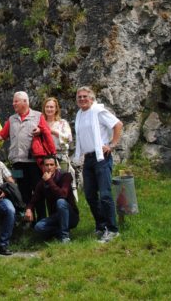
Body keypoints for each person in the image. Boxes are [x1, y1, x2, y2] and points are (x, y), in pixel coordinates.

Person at [0, 91, 56, 217]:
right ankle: (27, 219)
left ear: (25, 102)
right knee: (22, 191)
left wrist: (51, 153)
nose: (13, 104)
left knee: (38, 191)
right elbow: (1, 135)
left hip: (34, 162)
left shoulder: (38, 116)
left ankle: (41, 219)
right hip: (17, 163)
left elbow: (47, 135)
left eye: (16, 101)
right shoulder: (12, 119)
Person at [74, 86, 123, 243]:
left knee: (105, 194)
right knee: (89, 194)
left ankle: (113, 229)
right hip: (88, 158)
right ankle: (101, 226)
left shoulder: (98, 111)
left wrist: (112, 144)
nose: (82, 99)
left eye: (84, 96)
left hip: (102, 157)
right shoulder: (80, 114)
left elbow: (118, 124)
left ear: (91, 98)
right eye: (79, 97)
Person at [25, 155, 79, 243]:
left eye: (51, 165)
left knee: (61, 202)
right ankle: (60, 232)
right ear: (43, 167)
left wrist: (50, 181)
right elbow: (34, 199)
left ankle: (65, 237)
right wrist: (29, 209)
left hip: (71, 216)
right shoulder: (42, 183)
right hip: (55, 217)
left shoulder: (65, 176)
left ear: (56, 166)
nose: (49, 167)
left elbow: (63, 194)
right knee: (38, 227)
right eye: (46, 165)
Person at [42, 96, 78, 200]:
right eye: (47, 107)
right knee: (49, 182)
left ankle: (68, 203)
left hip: (61, 155)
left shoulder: (62, 123)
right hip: (47, 157)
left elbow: (69, 138)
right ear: (44, 108)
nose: (49, 109)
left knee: (64, 180)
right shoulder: (42, 123)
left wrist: (54, 132)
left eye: (52, 107)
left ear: (56, 109)